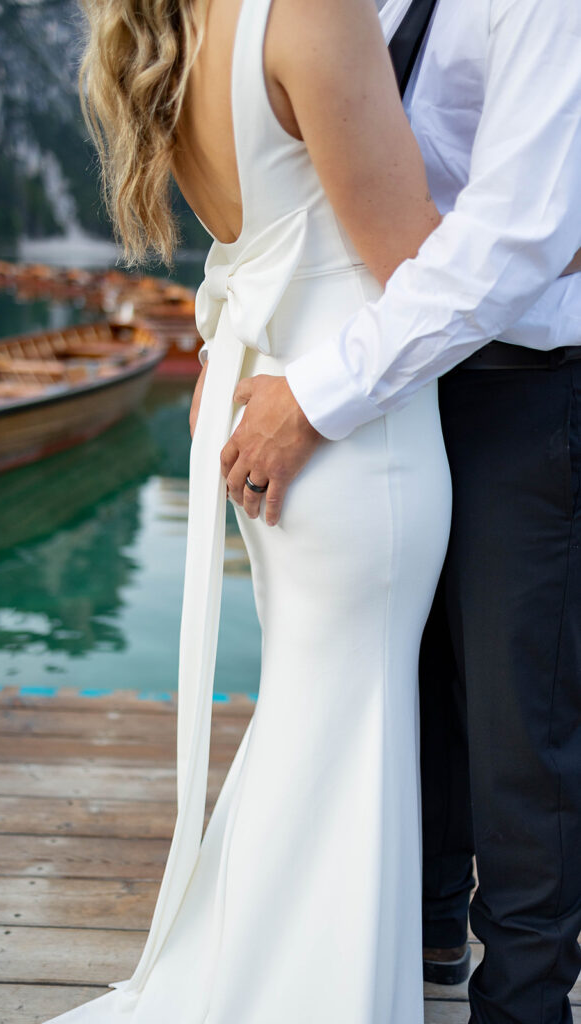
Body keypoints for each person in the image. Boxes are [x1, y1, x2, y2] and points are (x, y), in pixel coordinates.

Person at [42, 0, 454, 1021]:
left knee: (317, 725)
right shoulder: (312, 9)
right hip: (350, 429)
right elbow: (420, 270)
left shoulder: (187, 21)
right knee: (347, 733)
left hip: (264, 395)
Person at [219, 0, 581, 1021]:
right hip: (401, 395)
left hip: (522, 392)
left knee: (522, 745)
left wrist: (319, 393)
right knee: (407, 709)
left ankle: (524, 1006)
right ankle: (417, 978)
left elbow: (514, 237)